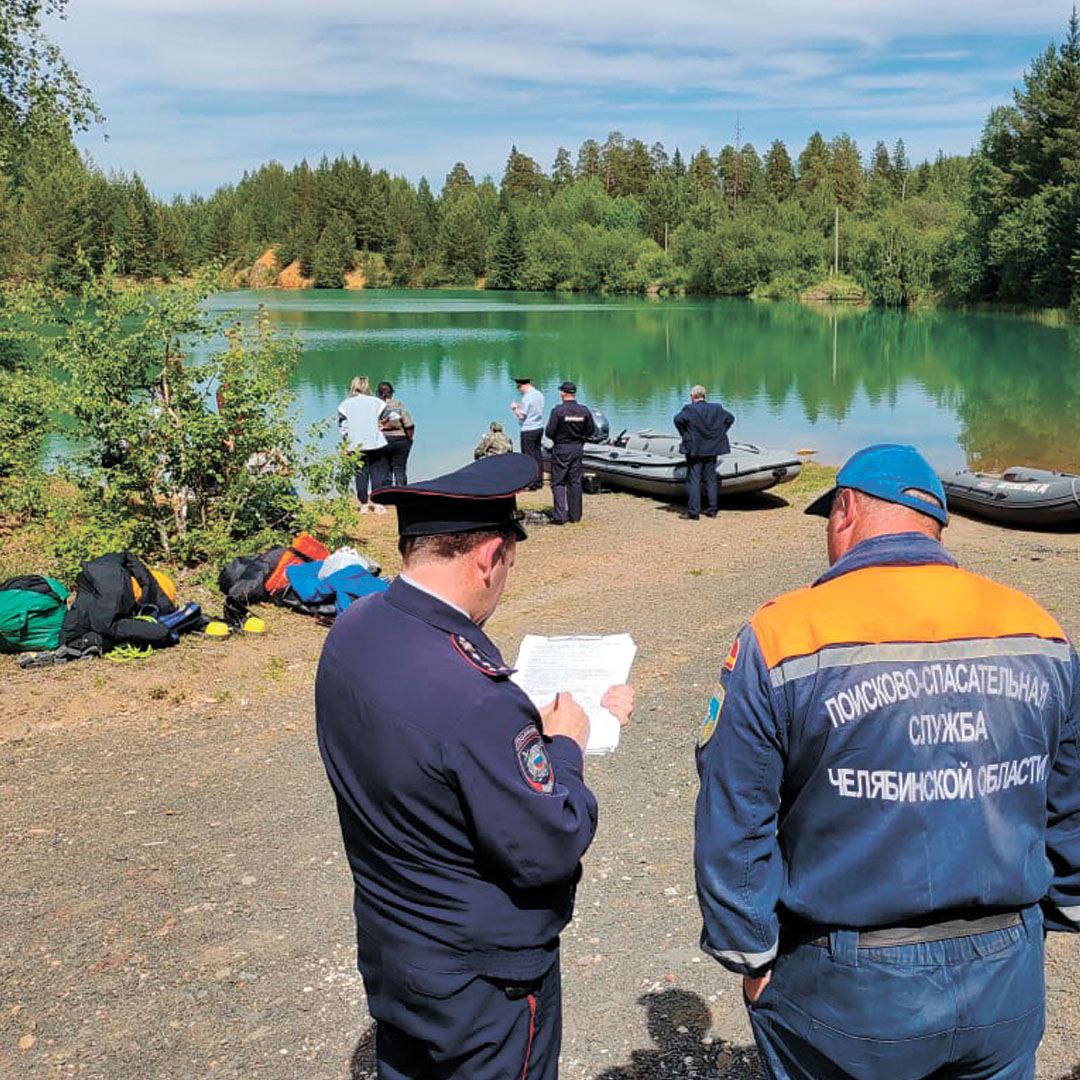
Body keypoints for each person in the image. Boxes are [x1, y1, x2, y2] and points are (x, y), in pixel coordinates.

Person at [693, 443, 1080, 1080]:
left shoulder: (784, 634)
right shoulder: (1038, 627)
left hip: (849, 984)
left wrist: (750, 955)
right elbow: (1068, 800)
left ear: (844, 510)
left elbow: (735, 815)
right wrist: (1057, 910)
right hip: (1006, 969)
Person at [316, 453, 635, 1079]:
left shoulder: (354, 630)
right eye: (509, 563)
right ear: (489, 556)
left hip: (394, 944)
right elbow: (551, 841)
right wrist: (565, 744)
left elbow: (426, 763)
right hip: (483, 979)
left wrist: (517, 736)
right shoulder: (478, 695)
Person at [672, 385, 734, 520]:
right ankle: (712, 510)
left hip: (695, 450)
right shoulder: (716, 408)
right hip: (712, 449)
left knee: (694, 480)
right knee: (711, 480)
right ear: (704, 396)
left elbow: (677, 420)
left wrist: (685, 434)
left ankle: (694, 512)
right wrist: (719, 433)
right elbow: (730, 419)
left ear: (693, 397)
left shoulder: (689, 409)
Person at [545, 381, 597, 525]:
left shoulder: (558, 411)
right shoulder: (584, 410)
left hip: (561, 448)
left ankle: (560, 516)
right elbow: (591, 430)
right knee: (575, 481)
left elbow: (549, 432)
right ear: (574, 393)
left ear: (562, 393)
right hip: (577, 448)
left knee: (558, 482)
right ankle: (575, 516)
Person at [337, 375, 390, 513]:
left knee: (360, 473)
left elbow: (344, 428)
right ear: (367, 386)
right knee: (377, 473)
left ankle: (364, 504)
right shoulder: (377, 402)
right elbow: (390, 415)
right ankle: (378, 504)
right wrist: (381, 424)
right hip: (376, 442)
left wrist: (345, 444)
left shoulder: (345, 405)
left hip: (356, 445)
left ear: (353, 387)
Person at [376, 380, 415, 487]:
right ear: (391, 393)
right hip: (400, 440)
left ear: (378, 393)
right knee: (400, 468)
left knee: (384, 469)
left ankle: (386, 494)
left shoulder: (375, 407)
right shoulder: (399, 405)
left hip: (382, 441)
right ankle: (401, 493)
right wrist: (409, 439)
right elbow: (409, 425)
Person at [510, 376, 545, 490]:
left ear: (523, 385)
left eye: (519, 387)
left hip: (528, 430)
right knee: (537, 455)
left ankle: (531, 483)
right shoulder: (539, 394)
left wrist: (515, 408)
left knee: (528, 457)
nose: (519, 390)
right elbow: (534, 409)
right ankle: (539, 481)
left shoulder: (527, 397)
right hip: (539, 427)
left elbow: (522, 415)